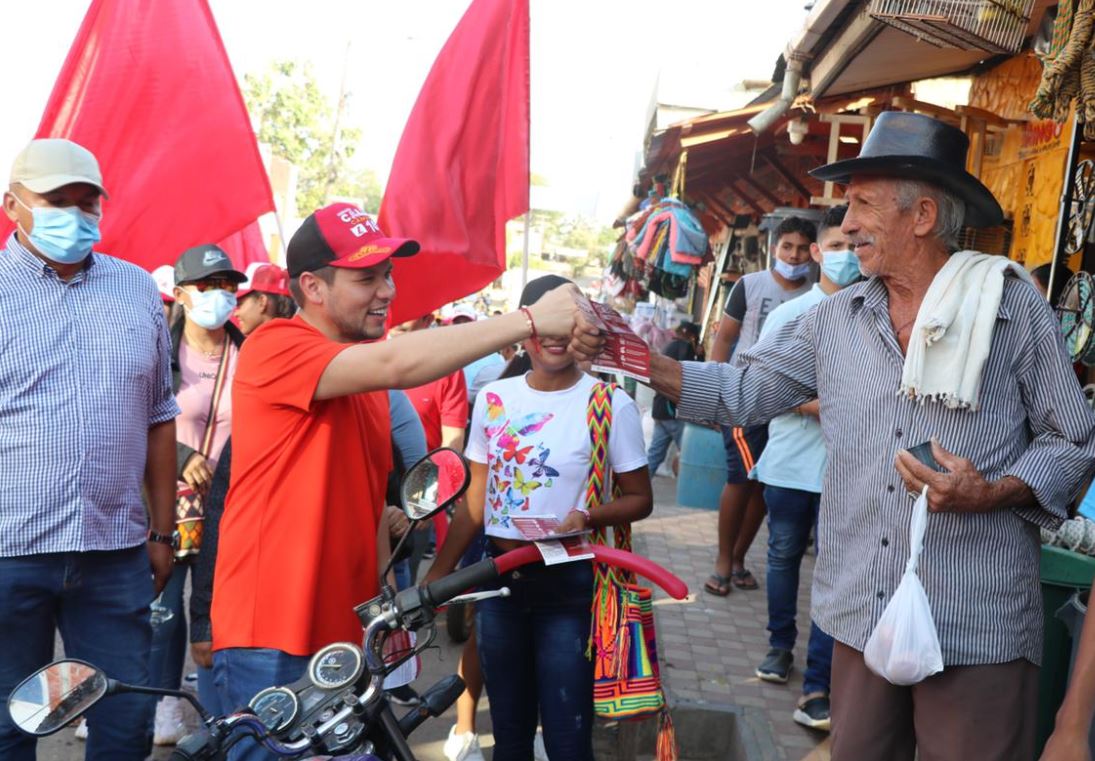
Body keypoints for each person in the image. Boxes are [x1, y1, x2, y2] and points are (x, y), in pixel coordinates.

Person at [571, 112, 1095, 760]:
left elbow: (1072, 440)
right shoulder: (834, 319)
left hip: (976, 620)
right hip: (860, 613)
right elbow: (742, 394)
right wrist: (643, 360)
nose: (845, 225)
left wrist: (990, 491)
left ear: (922, 215)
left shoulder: (1011, 308)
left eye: (861, 204)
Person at [208, 203, 581, 761]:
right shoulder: (275, 345)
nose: (386, 291)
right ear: (312, 285)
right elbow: (399, 363)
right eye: (366, 278)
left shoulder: (361, 378)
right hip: (272, 633)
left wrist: (390, 606)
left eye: (388, 275)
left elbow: (371, 503)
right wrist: (527, 321)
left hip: (346, 636)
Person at [0, 138, 179, 761]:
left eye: (87, 203)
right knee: (9, 724)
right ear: (14, 206)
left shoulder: (134, 290)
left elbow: (160, 414)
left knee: (125, 721)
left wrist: (162, 531)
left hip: (115, 552)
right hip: (10, 553)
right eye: (56, 201)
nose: (74, 217)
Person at [429, 275, 653, 761]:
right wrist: (436, 578)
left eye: (568, 321)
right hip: (498, 585)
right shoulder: (494, 399)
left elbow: (640, 498)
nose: (555, 334)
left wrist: (588, 516)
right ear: (522, 328)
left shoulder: (611, 404)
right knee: (508, 737)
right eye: (544, 319)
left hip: (569, 587)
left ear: (586, 328)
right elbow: (475, 504)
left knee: (567, 738)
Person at [750, 205, 855, 731]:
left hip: (847, 472)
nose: (847, 256)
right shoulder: (789, 316)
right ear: (817, 252)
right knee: (784, 558)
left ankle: (818, 683)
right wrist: (823, 403)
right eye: (836, 246)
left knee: (834, 573)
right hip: (791, 465)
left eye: (855, 245)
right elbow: (758, 385)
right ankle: (778, 647)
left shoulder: (873, 316)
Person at [148, 245, 246, 746]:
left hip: (228, 504)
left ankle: (215, 714)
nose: (219, 296)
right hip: (165, 502)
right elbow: (135, 419)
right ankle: (164, 704)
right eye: (207, 286)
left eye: (228, 286)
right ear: (182, 293)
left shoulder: (247, 353)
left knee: (216, 613)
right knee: (162, 614)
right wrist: (184, 452)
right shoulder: (156, 348)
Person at [705, 216, 815, 595]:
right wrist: (714, 391)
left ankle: (738, 558)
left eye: (802, 248)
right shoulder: (749, 286)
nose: (794, 255)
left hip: (790, 407)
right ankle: (723, 562)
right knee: (741, 478)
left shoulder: (818, 295)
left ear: (813, 253)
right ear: (774, 248)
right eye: (788, 247)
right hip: (742, 398)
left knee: (764, 485)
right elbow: (724, 340)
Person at [646, 320, 699, 476]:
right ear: (691, 335)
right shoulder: (686, 346)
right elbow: (688, 374)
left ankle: (635, 488)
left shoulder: (668, 345)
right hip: (672, 411)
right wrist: (700, 357)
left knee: (655, 454)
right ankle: (689, 489)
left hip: (660, 409)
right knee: (689, 453)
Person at [234, 262, 296, 334]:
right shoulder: (302, 335)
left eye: (240, 305)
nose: (235, 313)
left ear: (262, 302)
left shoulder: (257, 343)